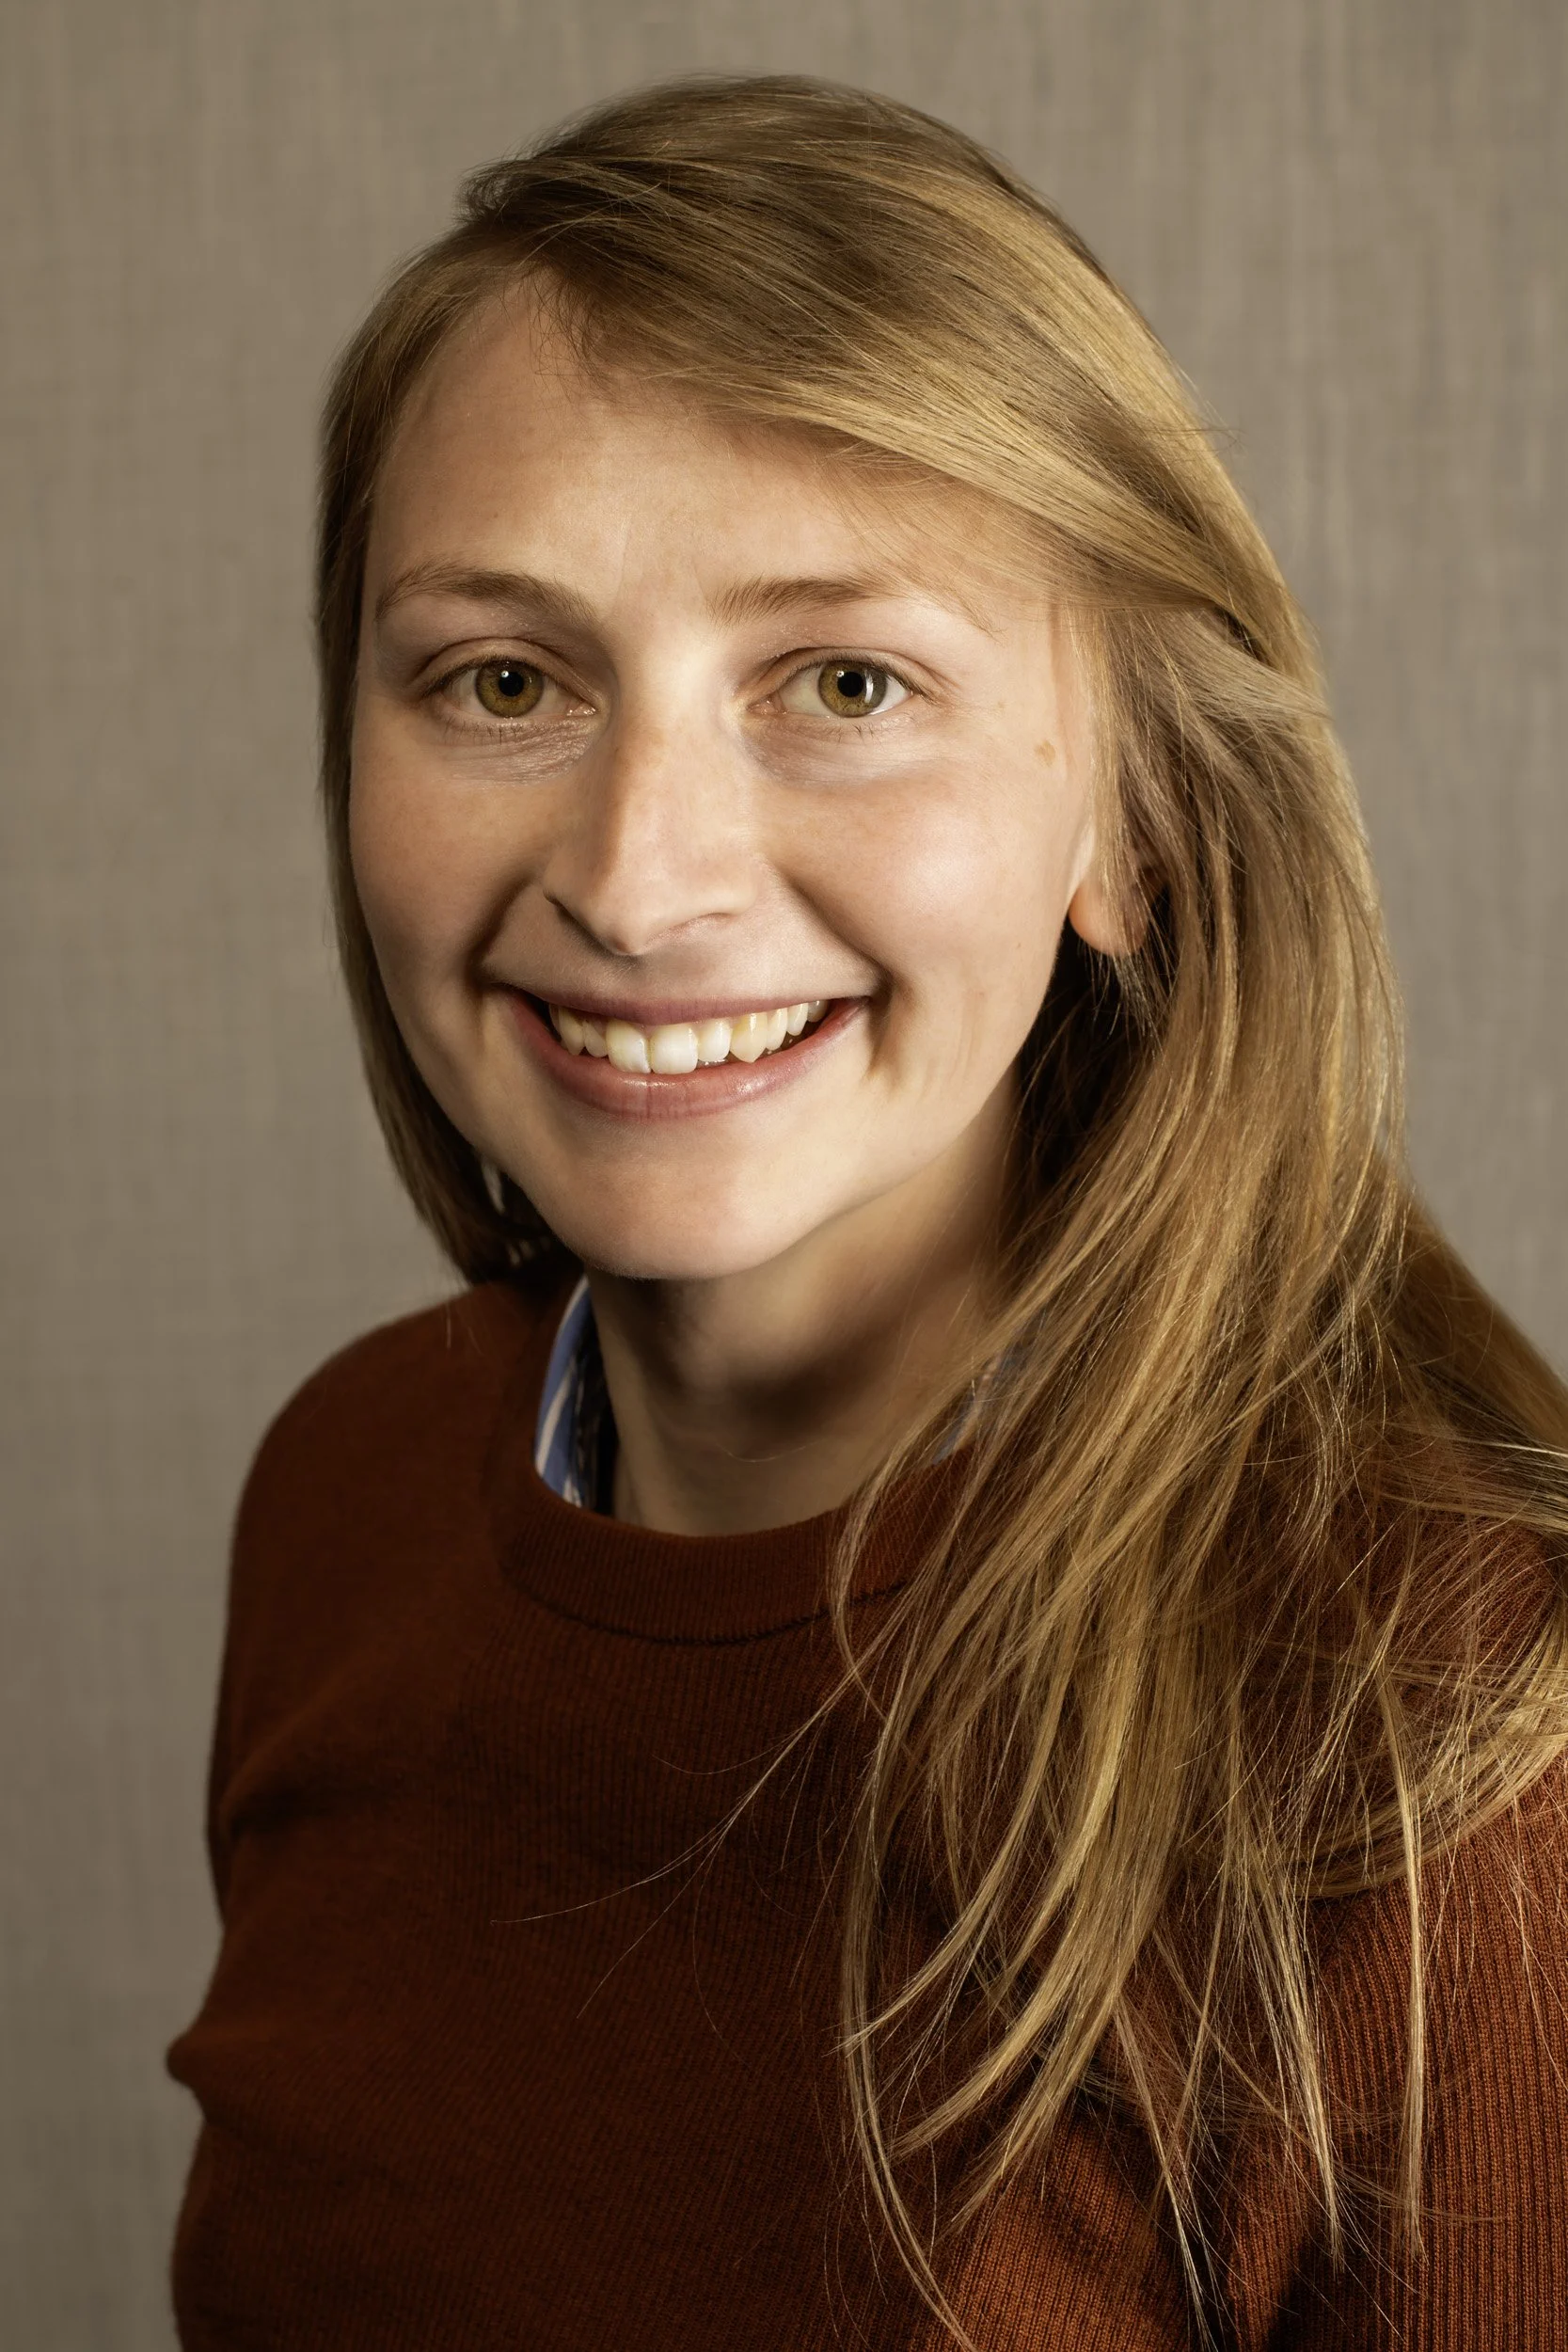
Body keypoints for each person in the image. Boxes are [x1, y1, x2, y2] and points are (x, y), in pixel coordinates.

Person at [165, 74, 1568, 2351]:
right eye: (501, 679)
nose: (635, 874)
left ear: (1130, 826)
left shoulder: (1455, 1771)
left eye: (841, 683)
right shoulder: (346, 1501)